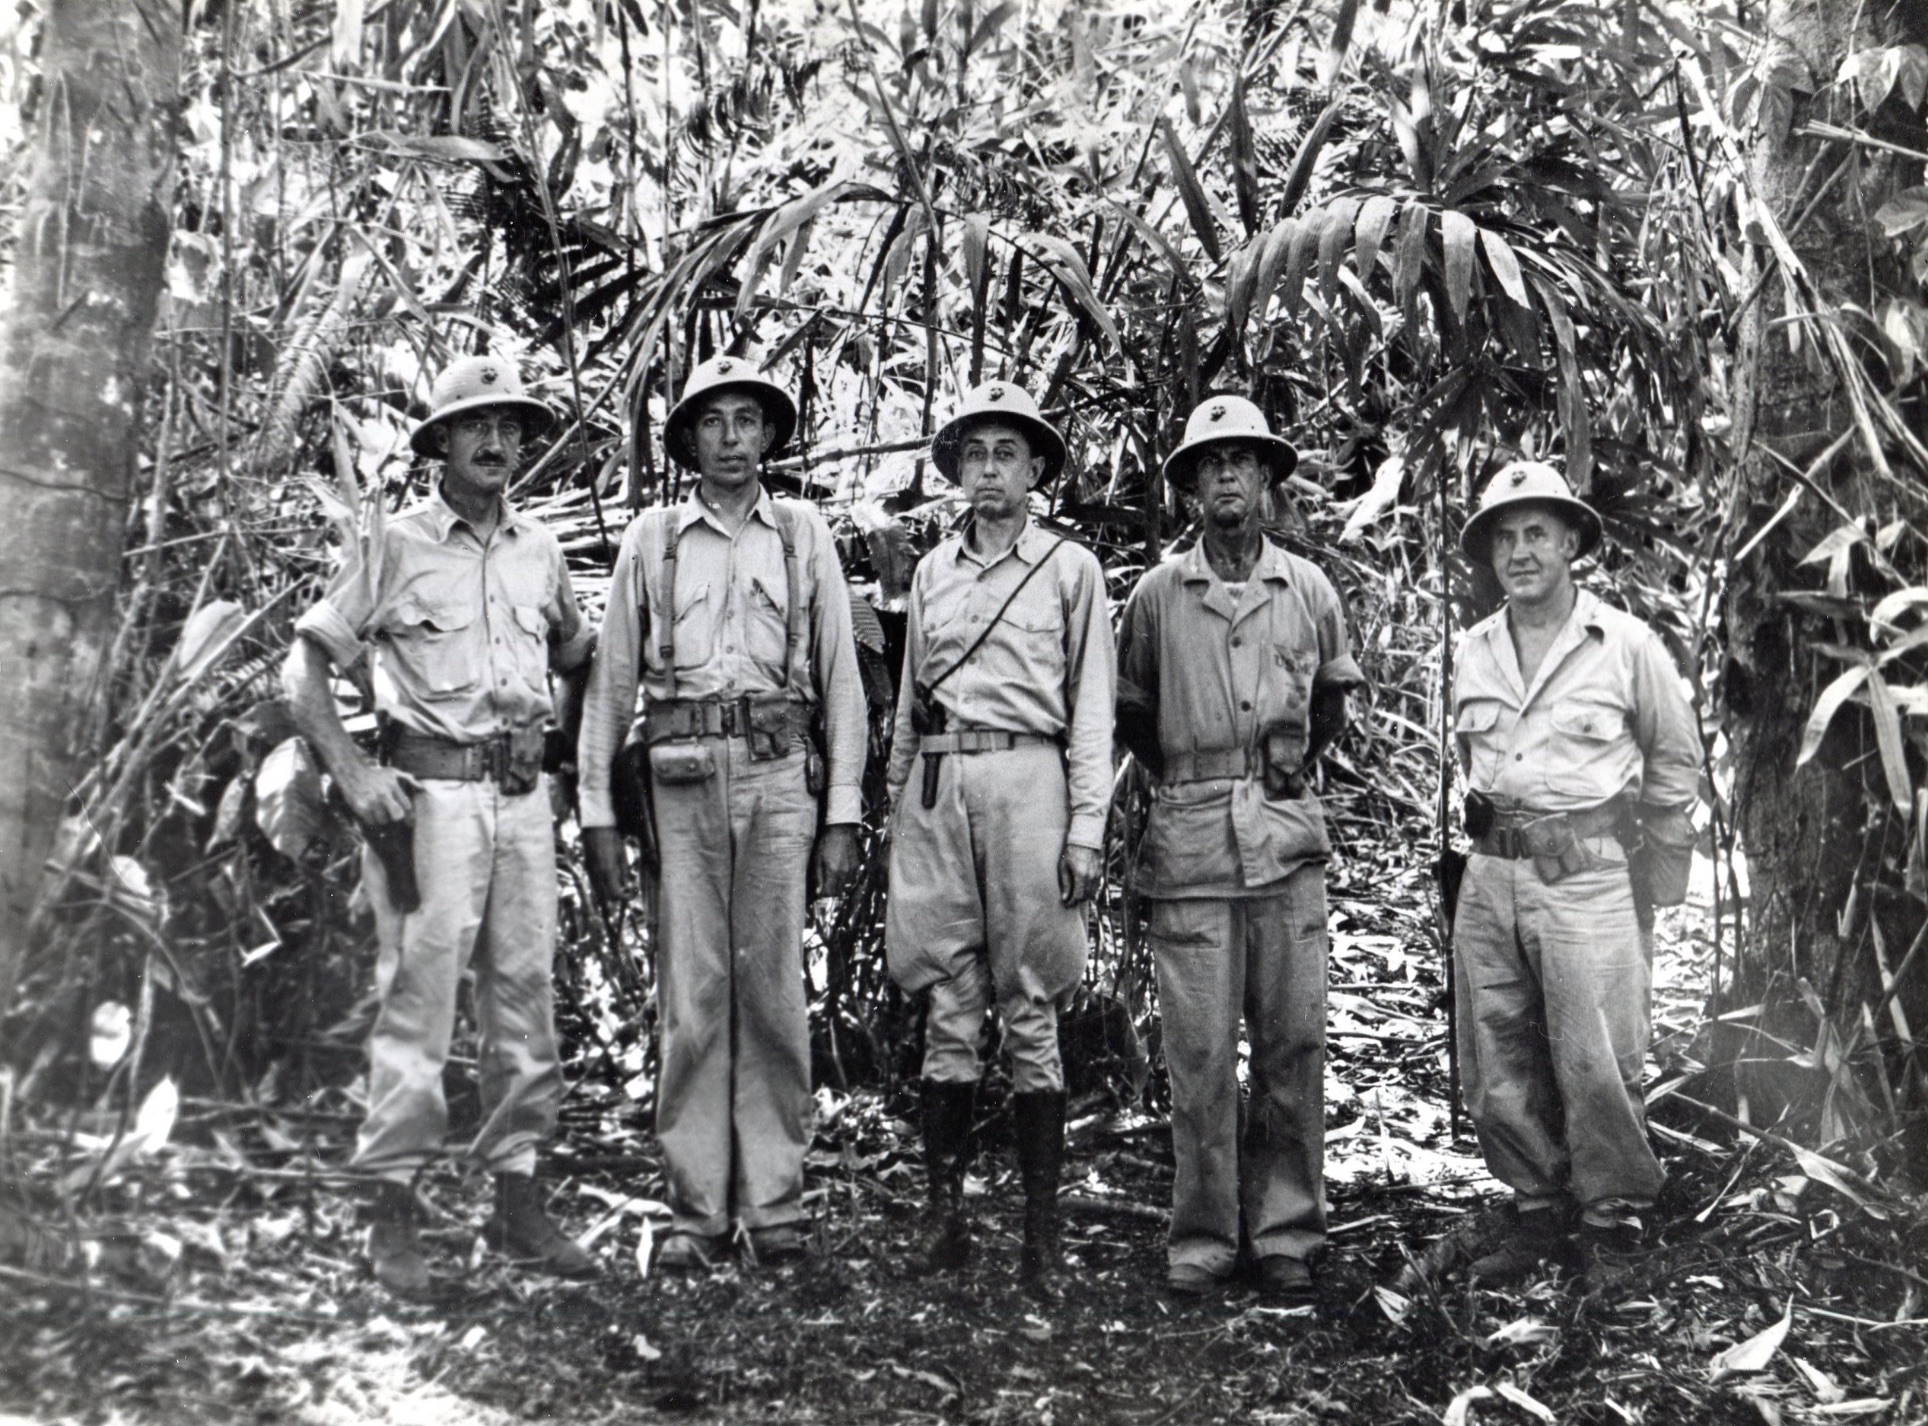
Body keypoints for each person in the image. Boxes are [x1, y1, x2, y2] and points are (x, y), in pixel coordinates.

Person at [283, 354, 598, 1298]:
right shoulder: (396, 546)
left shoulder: (538, 550)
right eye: (475, 427)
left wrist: (569, 761)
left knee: (524, 996)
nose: (497, 442)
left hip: (523, 802)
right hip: (430, 806)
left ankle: (517, 1202)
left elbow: (579, 653)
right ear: (440, 444)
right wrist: (353, 770)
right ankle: (393, 1212)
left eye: (509, 427)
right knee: (416, 1008)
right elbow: (304, 670)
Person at [576, 354, 866, 1271]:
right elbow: (611, 685)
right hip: (679, 783)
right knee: (694, 996)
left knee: (774, 991)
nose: (733, 440)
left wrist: (843, 817)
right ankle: (697, 1209)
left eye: (749, 421)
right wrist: (599, 817)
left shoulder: (801, 533)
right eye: (714, 422)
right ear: (689, 438)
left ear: (770, 435)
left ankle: (775, 1203)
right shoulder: (651, 540)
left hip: (781, 780)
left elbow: (841, 684)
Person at [1115, 395, 1364, 1302]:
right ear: (1189, 487)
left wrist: (1276, 776)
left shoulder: (1308, 590)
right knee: (1201, 1057)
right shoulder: (1154, 595)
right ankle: (1205, 1235)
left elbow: (1330, 705)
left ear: (1266, 479)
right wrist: (1201, 777)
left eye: (1241, 461)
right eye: (1208, 463)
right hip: (1190, 845)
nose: (1226, 476)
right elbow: (1134, 714)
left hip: (1287, 838)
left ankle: (1288, 1229)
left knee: (1294, 1043)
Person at [884, 381, 1115, 1302]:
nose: (988, 471)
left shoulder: (1069, 569)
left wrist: (1087, 829)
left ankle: (1041, 1240)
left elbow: (1091, 715)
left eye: (1005, 455)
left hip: (1030, 785)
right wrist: (898, 805)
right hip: (939, 786)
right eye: (973, 454)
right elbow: (909, 701)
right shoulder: (933, 571)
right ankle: (944, 1217)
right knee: (947, 996)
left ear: (1034, 471)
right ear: (957, 471)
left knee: (1030, 1005)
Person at [1448, 460, 1699, 1288]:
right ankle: (1534, 1211)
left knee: (1598, 1053)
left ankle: (1611, 1223)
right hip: (1491, 874)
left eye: (1537, 534)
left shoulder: (1625, 645)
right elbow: (1469, 762)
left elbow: (1673, 759)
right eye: (1505, 537)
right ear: (1489, 554)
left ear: (1569, 544)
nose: (1521, 552)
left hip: (1586, 873)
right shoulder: (1473, 650)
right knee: (1496, 1049)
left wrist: (1663, 869)